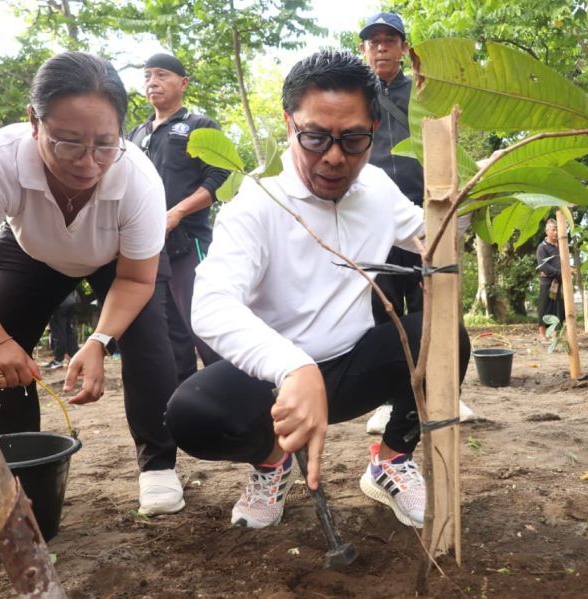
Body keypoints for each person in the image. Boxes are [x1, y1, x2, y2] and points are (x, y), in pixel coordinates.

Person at [165, 50, 471, 530]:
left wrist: (476, 192)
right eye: (315, 138)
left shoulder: (376, 188)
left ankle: (391, 460)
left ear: (373, 130)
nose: (333, 157)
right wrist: (292, 366)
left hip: (354, 366)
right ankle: (272, 462)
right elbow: (211, 303)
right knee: (193, 413)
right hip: (276, 382)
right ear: (289, 124)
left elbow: (431, 234)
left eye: (353, 139)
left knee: (443, 337)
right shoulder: (258, 201)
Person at [0, 52, 185, 517]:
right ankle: (8, 474)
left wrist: (99, 341)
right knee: (3, 343)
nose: (88, 163)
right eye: (68, 142)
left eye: (105, 144)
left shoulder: (139, 179)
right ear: (34, 122)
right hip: (32, 250)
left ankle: (158, 465)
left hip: (117, 259)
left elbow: (136, 277)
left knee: (148, 342)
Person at [358, 12, 475, 432]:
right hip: (373, 218)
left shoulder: (426, 93)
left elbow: (450, 142)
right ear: (363, 49)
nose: (381, 47)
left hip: (427, 215)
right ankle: (390, 400)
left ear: (405, 49)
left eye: (390, 40)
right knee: (382, 308)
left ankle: (444, 393)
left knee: (435, 304)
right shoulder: (356, 97)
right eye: (374, 41)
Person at [127, 53, 230, 382]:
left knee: (205, 324)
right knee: (171, 337)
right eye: (147, 76)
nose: (152, 82)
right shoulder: (135, 135)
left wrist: (177, 213)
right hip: (149, 252)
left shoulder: (200, 126)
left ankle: (236, 396)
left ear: (183, 83)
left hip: (190, 245)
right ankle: (185, 404)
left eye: (162, 75)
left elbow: (220, 177)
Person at [536, 219, 565, 341]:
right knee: (545, 306)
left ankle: (555, 334)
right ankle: (542, 334)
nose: (556, 232)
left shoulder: (561, 246)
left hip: (561, 281)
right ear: (547, 231)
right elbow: (543, 266)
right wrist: (559, 272)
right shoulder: (542, 247)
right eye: (553, 230)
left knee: (559, 307)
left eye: (557, 230)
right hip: (547, 281)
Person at [46, 290, 79, 369]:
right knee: (69, 331)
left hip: (59, 304)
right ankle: (74, 358)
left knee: (59, 333)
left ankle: (58, 361)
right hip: (71, 301)